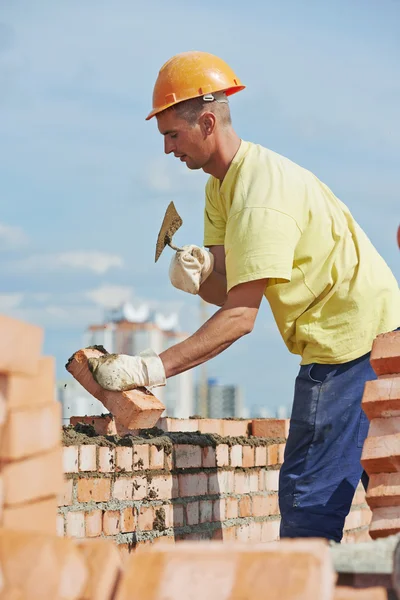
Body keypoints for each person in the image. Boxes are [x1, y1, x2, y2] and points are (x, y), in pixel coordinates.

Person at [88, 51, 400, 542]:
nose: (168, 150)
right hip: (357, 338)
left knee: (308, 506)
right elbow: (227, 288)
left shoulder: (259, 193)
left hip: (353, 344)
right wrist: (199, 275)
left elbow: (240, 318)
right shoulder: (221, 189)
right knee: (387, 485)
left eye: (173, 135)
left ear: (207, 122)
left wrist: (151, 368)